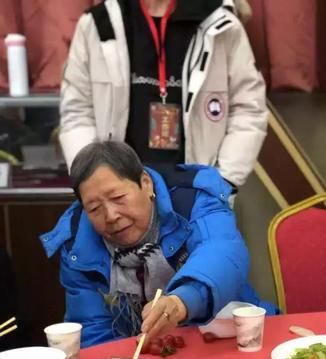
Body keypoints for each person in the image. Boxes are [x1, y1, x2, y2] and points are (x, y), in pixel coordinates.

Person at [40, 141, 275, 347]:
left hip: (230, 339)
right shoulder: (76, 244)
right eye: (94, 208)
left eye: (118, 198)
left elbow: (222, 253)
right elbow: (93, 329)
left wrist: (182, 300)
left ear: (146, 183)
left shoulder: (193, 199)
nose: (111, 215)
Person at [59, 0, 266, 194]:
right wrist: (95, 181)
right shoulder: (98, 24)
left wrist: (223, 181)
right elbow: (77, 112)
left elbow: (248, 109)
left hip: (200, 194)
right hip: (121, 196)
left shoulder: (220, 21)